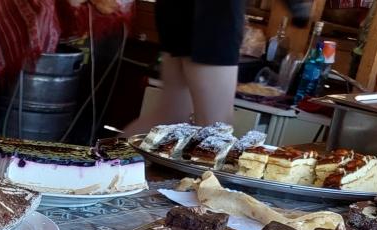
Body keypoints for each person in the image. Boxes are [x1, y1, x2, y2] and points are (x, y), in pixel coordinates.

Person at [123, 0, 313, 135]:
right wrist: (298, 8)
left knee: (170, 115)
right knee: (217, 127)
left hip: (175, 9)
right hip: (214, 12)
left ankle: (107, 164)